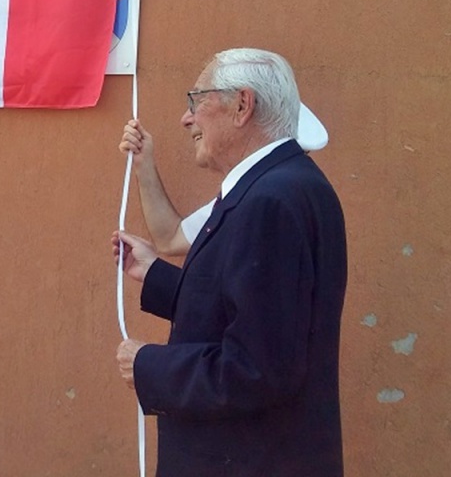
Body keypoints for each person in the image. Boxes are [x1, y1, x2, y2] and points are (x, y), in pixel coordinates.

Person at [113, 48, 347, 476]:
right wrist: (156, 277)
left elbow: (258, 369)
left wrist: (149, 366)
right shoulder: (282, 185)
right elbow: (250, 310)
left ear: (242, 105)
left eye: (197, 100)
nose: (186, 118)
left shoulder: (269, 201)